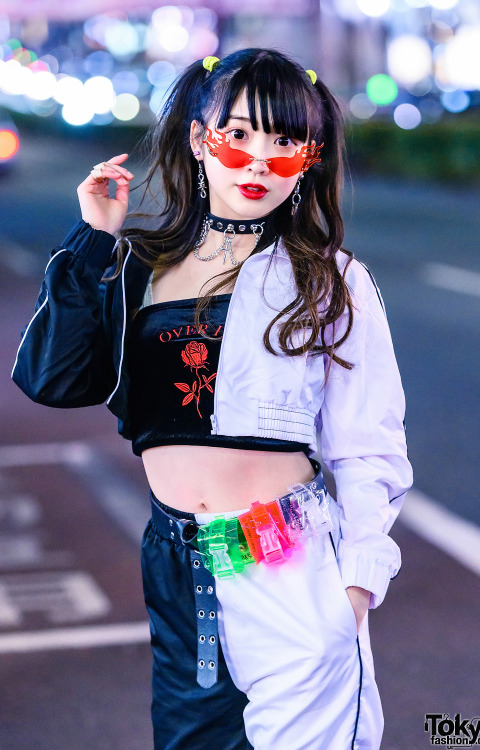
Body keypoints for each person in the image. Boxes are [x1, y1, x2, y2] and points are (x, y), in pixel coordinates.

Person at [12, 48, 412, 750]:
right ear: (200, 141)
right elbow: (52, 379)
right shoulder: (138, 264)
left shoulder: (332, 281)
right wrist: (92, 240)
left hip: (287, 561)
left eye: (286, 142)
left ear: (309, 158)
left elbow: (369, 446)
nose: (260, 161)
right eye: (240, 135)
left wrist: (352, 595)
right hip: (177, 561)